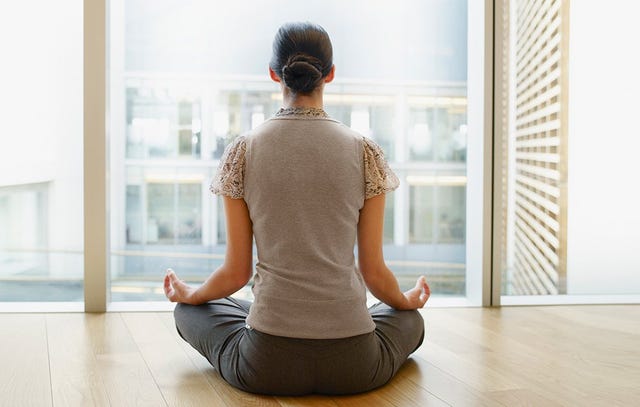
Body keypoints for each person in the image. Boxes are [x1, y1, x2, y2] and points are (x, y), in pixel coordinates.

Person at [163, 22, 430, 396]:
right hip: (356, 365)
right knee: (410, 321)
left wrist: (190, 295)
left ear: (274, 74)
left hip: (266, 364)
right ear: (331, 74)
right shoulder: (364, 151)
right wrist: (405, 301)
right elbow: (374, 273)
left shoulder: (243, 151)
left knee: (191, 311)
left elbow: (236, 272)